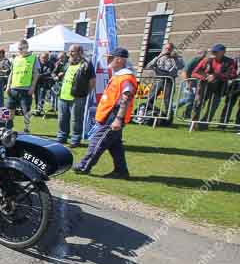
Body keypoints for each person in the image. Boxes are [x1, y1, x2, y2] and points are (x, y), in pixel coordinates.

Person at [73, 47, 138, 179]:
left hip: (112, 116)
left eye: (111, 58)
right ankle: (121, 171)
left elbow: (126, 98)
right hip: (109, 114)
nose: (108, 61)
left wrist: (118, 119)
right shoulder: (120, 76)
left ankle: (84, 166)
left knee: (98, 141)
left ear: (119, 60)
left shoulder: (125, 78)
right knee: (115, 146)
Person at [56, 45, 95, 147]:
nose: (70, 53)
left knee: (76, 120)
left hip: (78, 97)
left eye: (72, 51)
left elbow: (92, 81)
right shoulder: (66, 63)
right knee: (62, 118)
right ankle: (62, 137)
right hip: (63, 96)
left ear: (80, 52)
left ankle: (75, 139)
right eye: (69, 51)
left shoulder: (86, 64)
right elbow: (58, 74)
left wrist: (85, 93)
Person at [190, 44, 237, 129]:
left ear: (223, 52)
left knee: (213, 107)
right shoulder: (207, 60)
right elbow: (194, 72)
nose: (213, 53)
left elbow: (232, 74)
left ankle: (203, 125)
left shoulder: (230, 62)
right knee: (198, 104)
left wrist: (216, 76)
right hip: (204, 86)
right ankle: (194, 123)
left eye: (216, 51)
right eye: (213, 51)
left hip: (219, 88)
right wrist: (206, 77)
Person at [6, 39, 40, 133]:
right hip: (13, 89)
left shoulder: (33, 58)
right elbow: (11, 73)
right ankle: (8, 127)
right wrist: (8, 86)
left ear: (27, 48)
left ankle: (26, 128)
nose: (20, 50)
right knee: (10, 110)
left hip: (25, 90)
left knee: (26, 111)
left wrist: (33, 87)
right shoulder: (16, 59)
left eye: (21, 48)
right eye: (19, 48)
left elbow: (36, 74)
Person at [144, 42, 183, 121]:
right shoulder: (159, 57)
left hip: (169, 80)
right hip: (158, 79)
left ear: (172, 49)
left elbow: (181, 66)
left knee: (167, 100)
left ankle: (169, 119)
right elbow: (148, 66)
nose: (167, 50)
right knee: (151, 98)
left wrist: (175, 58)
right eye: (166, 48)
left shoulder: (177, 58)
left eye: (169, 49)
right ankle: (148, 114)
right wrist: (160, 56)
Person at [176, 50, 206, 119]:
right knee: (188, 98)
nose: (203, 56)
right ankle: (172, 107)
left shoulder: (203, 62)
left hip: (195, 83)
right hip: (188, 82)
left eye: (204, 54)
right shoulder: (194, 60)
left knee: (191, 100)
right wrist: (187, 83)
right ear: (198, 53)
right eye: (202, 54)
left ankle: (187, 114)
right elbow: (184, 72)